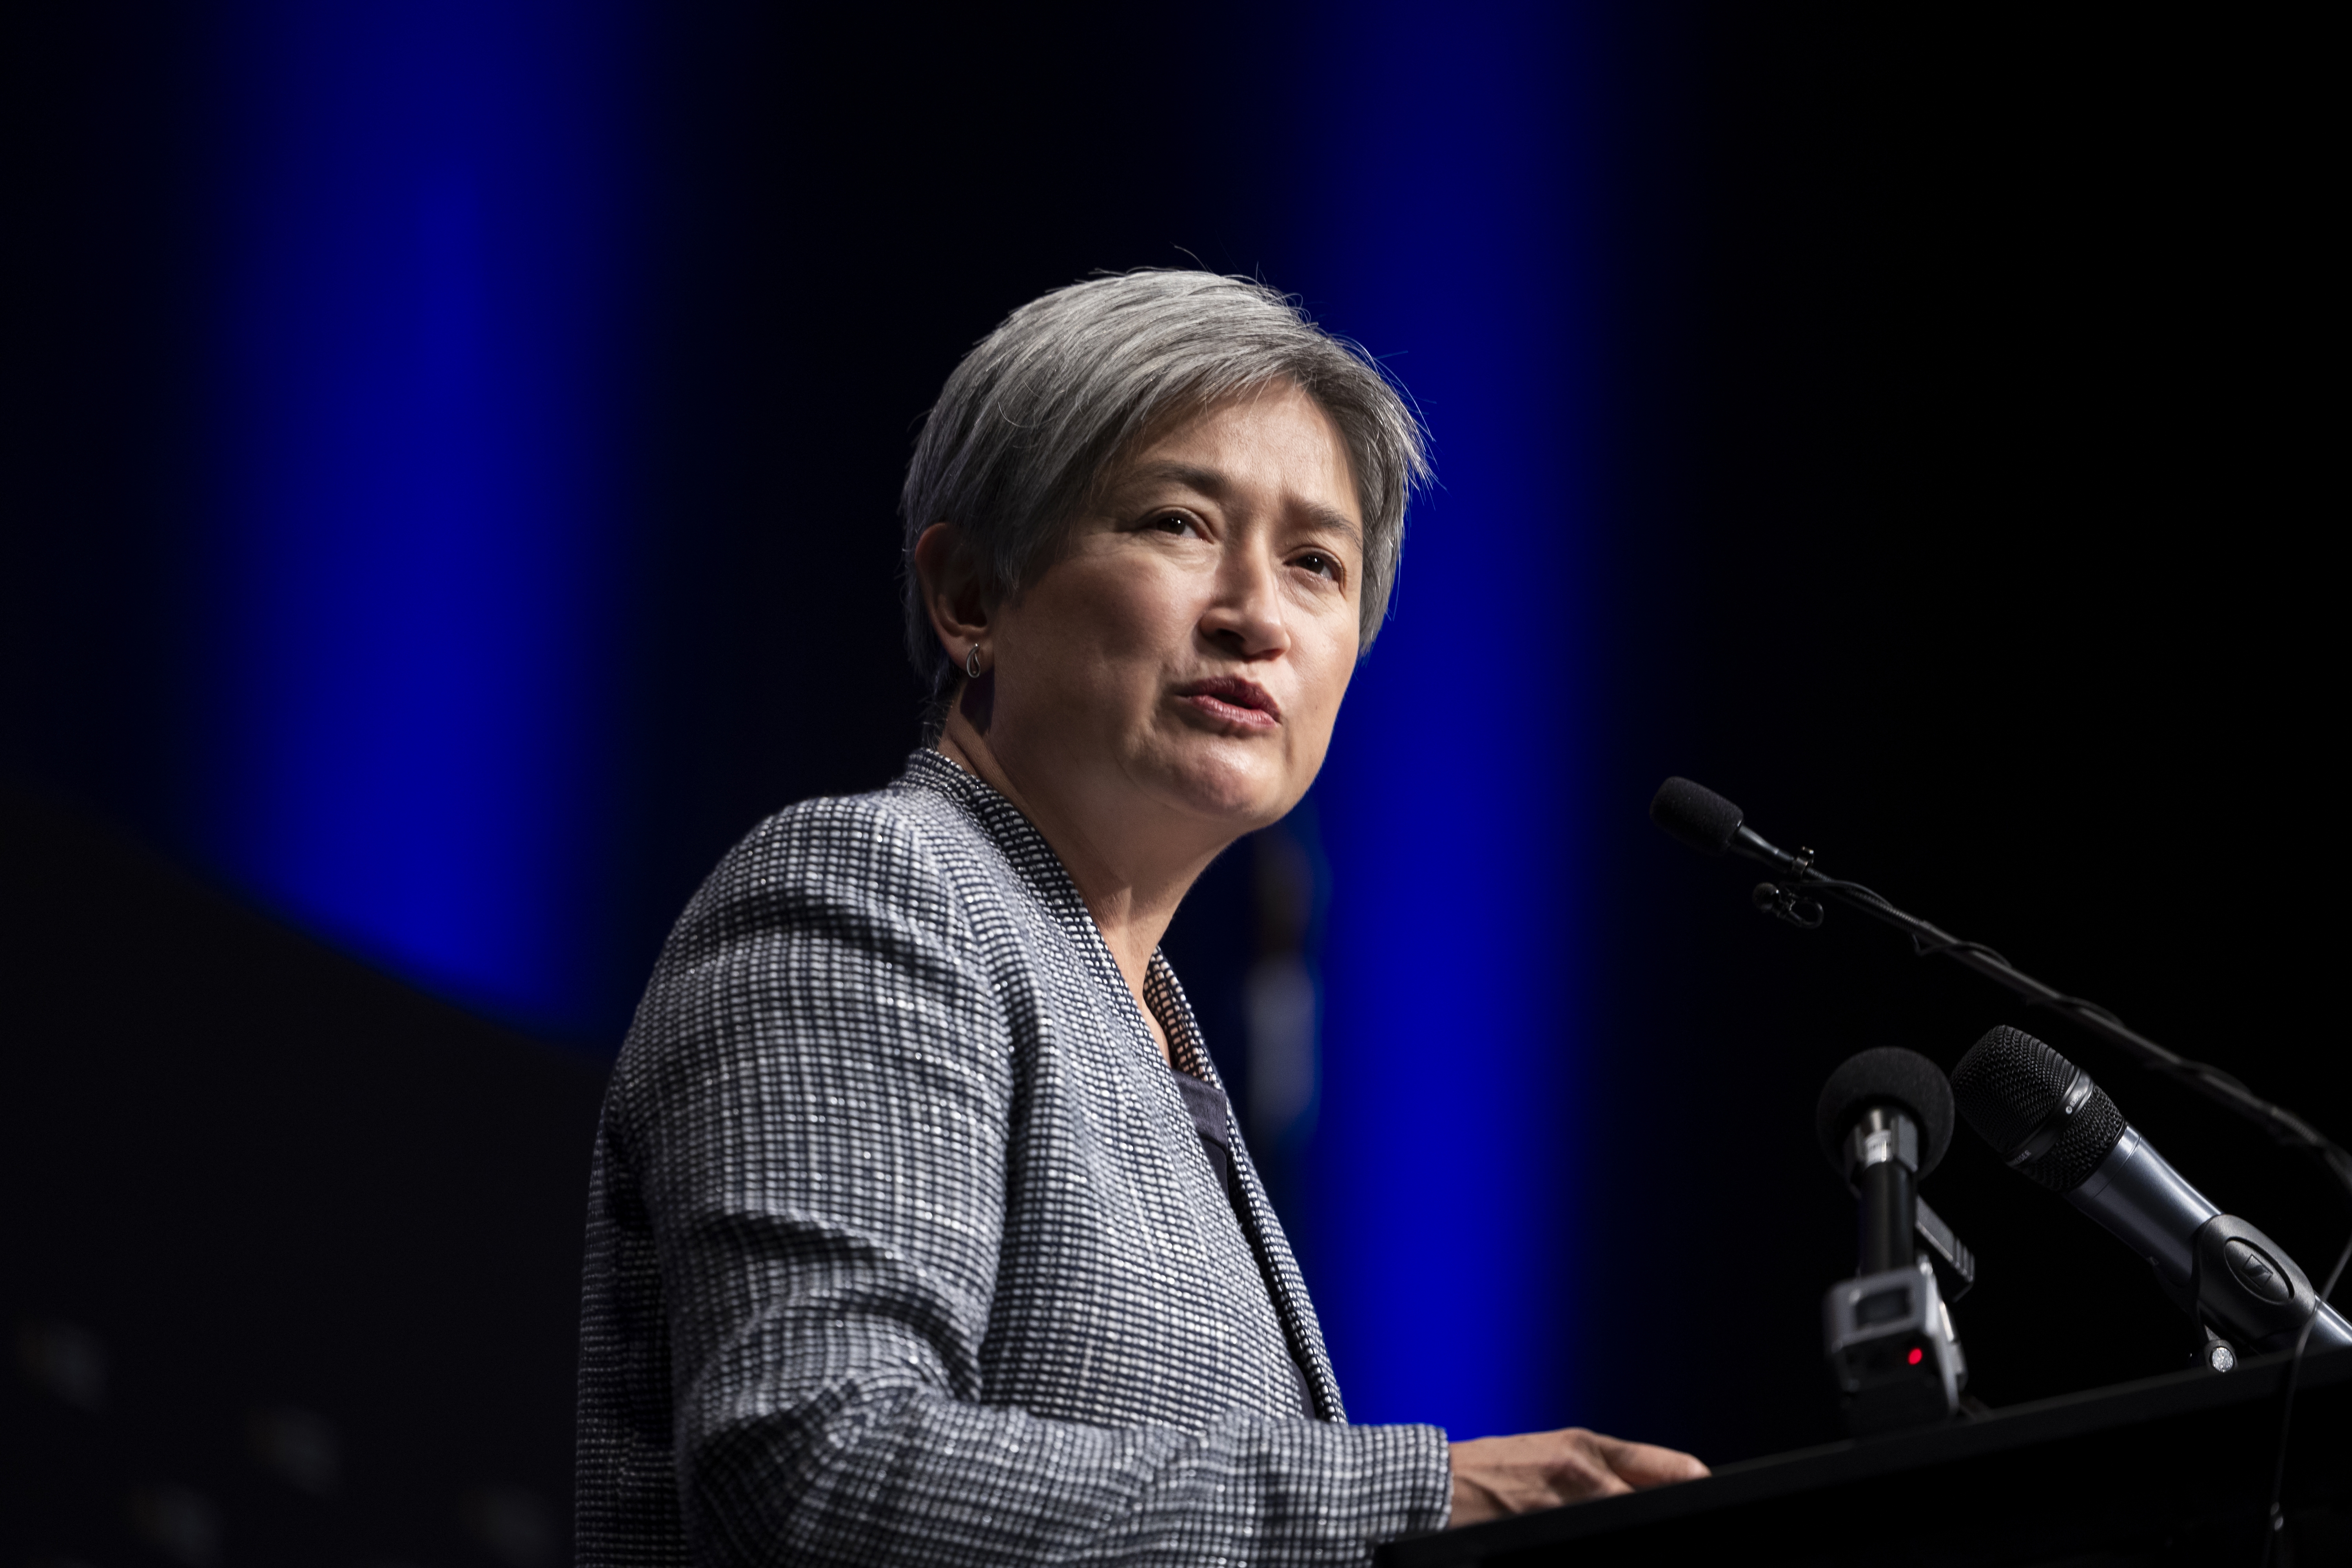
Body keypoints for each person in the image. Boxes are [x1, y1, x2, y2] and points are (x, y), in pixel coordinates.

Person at [575, 270, 1705, 1566]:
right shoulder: (872, 888)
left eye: (1316, 565)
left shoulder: (1145, 1025)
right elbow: (817, 1465)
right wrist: (1418, 1504)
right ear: (972, 600)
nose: (1255, 616)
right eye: (1177, 522)